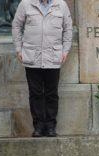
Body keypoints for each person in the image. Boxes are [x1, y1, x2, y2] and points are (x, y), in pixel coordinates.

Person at [12, 0, 72, 137]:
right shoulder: (26, 4)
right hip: (32, 56)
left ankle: (51, 126)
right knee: (35, 93)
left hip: (53, 56)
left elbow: (68, 28)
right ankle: (38, 126)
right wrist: (18, 49)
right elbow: (16, 26)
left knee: (52, 93)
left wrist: (65, 50)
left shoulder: (61, 5)